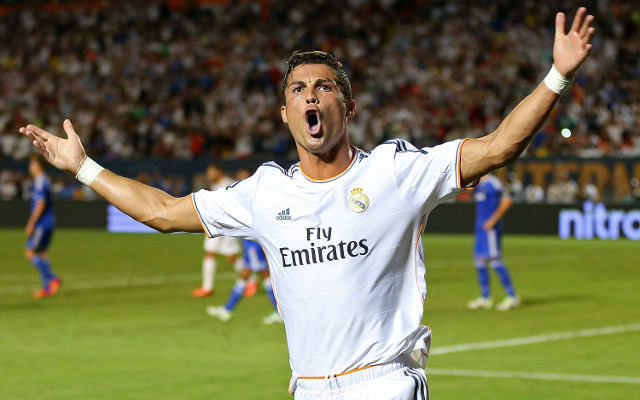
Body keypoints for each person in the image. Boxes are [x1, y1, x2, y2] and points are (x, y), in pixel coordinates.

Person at [20, 8, 593, 399]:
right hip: (308, 385)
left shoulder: (396, 171)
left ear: (347, 106)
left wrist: (557, 77)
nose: (310, 96)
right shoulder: (265, 193)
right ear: (285, 114)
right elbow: (162, 212)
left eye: (323, 87)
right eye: (298, 89)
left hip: (383, 383)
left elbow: (499, 147)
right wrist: (84, 167)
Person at [467, 174, 519, 311]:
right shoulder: (478, 184)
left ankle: (512, 296)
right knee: (479, 262)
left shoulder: (494, 183)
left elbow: (507, 201)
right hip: (481, 230)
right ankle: (485, 298)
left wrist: (493, 221)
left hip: (490, 230)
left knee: (496, 261)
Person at [191, 164, 243, 298]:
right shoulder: (215, 185)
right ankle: (207, 287)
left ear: (219, 172)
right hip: (216, 224)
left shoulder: (228, 184)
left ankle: (250, 280)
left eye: (211, 172)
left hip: (229, 225)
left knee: (231, 257)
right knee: (211, 252)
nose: (209, 175)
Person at [206, 238, 283, 324]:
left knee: (262, 274)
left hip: (253, 245)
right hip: (250, 244)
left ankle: (280, 312)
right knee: (247, 274)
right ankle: (227, 309)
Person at [25, 153, 62, 299]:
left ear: (37, 166)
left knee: (30, 253)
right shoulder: (45, 181)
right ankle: (47, 288)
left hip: (42, 223)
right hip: (48, 222)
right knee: (42, 254)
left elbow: (41, 204)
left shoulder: (40, 182)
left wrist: (31, 223)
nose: (30, 167)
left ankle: (52, 278)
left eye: (32, 164)